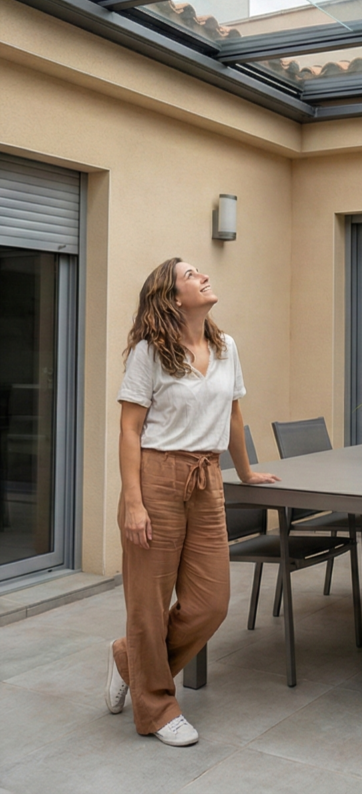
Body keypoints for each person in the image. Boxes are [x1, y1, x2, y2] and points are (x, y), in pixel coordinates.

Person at [104, 257, 280, 746]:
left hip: (207, 480)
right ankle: (158, 709)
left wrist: (245, 471)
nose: (202, 276)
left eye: (200, 271)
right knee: (148, 606)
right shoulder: (149, 352)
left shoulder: (226, 347)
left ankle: (128, 658)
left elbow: (234, 415)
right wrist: (133, 502)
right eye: (190, 274)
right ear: (172, 297)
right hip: (156, 478)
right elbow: (129, 429)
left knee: (211, 604)